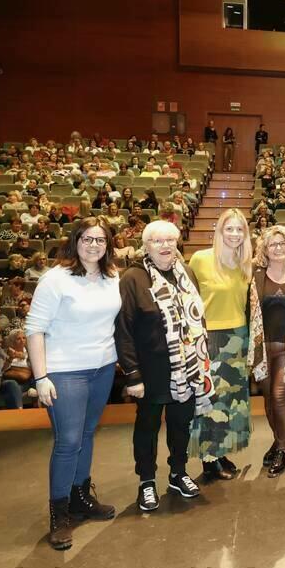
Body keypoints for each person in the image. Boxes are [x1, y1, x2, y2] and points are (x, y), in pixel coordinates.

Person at [26, 217, 121, 550]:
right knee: (67, 441)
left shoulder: (112, 276)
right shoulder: (56, 279)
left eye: (100, 240)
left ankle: (81, 497)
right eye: (87, 239)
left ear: (108, 244)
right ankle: (60, 514)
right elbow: (34, 329)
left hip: (103, 368)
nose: (93, 245)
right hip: (65, 372)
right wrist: (41, 377)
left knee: (86, 434)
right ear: (75, 241)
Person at [116, 220, 215, 510]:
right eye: (158, 241)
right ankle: (147, 480)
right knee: (147, 427)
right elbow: (123, 330)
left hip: (188, 369)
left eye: (170, 240)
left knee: (180, 424)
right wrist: (133, 375)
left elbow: (198, 320)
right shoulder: (132, 279)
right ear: (146, 246)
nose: (165, 246)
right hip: (151, 372)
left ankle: (177, 473)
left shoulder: (187, 274)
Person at [187, 209, 253, 481]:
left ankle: (220, 452)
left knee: (232, 401)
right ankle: (208, 459)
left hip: (239, 336)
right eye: (230, 229)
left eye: (240, 230)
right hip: (210, 338)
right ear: (219, 230)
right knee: (210, 400)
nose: (235, 234)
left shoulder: (245, 263)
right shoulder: (200, 259)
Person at [249, 226, 285, 477]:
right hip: (262, 350)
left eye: (282, 243)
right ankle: (277, 440)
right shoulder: (255, 275)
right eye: (272, 244)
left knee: (279, 396)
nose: (278, 248)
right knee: (268, 401)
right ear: (264, 249)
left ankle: (283, 450)